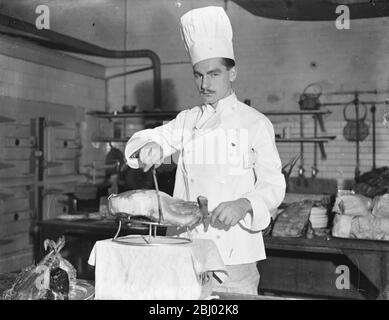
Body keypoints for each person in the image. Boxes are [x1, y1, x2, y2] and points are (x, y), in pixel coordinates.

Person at [124, 6, 286, 295]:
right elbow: (144, 141)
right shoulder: (188, 119)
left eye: (214, 74)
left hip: (234, 254)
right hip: (184, 248)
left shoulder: (256, 123)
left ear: (232, 72)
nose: (204, 84)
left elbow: (273, 186)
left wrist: (244, 204)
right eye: (198, 75)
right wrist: (150, 145)